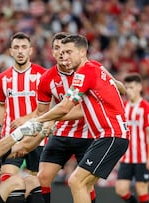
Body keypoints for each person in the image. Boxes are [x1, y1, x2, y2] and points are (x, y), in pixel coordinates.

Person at [27, 34, 130, 203]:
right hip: (110, 136)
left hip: (111, 135)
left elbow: (65, 106)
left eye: (69, 52)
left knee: (76, 181)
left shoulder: (84, 73)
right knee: (82, 183)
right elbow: (120, 89)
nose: (64, 56)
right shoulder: (95, 68)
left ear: (82, 52)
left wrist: (38, 121)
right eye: (62, 51)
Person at [35, 32, 96, 203]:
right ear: (52, 52)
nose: (61, 52)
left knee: (86, 184)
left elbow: (84, 109)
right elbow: (42, 112)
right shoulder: (46, 79)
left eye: (65, 49)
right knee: (43, 177)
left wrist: (53, 119)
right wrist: (44, 123)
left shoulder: (86, 72)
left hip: (87, 134)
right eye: (57, 48)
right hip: (61, 135)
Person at [0, 32, 47, 180]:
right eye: (16, 47)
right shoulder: (2, 78)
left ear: (30, 50)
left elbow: (49, 106)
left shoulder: (43, 75)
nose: (20, 51)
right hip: (10, 137)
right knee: (6, 178)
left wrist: (27, 119)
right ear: (11, 51)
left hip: (37, 138)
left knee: (36, 182)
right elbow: (0, 106)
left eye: (24, 47)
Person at [115, 73, 149, 203]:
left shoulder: (147, 108)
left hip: (142, 158)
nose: (128, 91)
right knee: (120, 189)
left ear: (139, 87)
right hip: (126, 158)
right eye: (126, 87)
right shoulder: (123, 107)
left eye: (132, 87)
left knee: (141, 190)